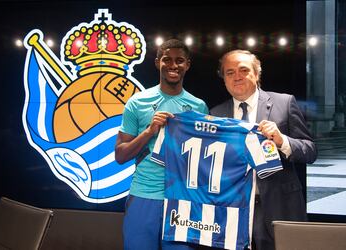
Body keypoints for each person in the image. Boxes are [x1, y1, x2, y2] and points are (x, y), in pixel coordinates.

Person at [210, 49, 317, 250]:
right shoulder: (216, 114)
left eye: (243, 70)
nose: (237, 77)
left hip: (280, 206)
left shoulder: (284, 103)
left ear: (257, 74)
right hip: (234, 211)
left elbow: (310, 151)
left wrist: (282, 140)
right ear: (223, 79)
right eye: (230, 72)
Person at [115, 39, 208, 250]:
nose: (173, 65)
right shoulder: (138, 102)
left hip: (183, 200)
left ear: (187, 65)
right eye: (167, 59)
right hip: (144, 196)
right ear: (158, 63)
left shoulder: (199, 106)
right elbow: (120, 156)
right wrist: (149, 132)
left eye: (179, 60)